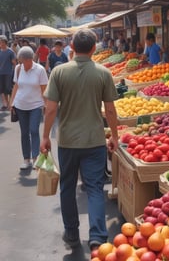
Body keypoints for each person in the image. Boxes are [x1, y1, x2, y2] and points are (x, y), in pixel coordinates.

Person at [40, 28, 119, 251]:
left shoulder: (59, 72)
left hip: (67, 141)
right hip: (94, 140)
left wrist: (45, 137)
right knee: (94, 188)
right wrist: (114, 135)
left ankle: (72, 234)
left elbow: (51, 109)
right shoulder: (103, 73)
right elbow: (110, 110)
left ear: (71, 47)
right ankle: (97, 236)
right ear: (94, 48)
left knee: (67, 187)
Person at [10, 46, 48, 169]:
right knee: (24, 133)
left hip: (36, 105)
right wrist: (12, 103)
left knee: (34, 130)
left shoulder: (40, 70)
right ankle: (26, 159)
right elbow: (16, 86)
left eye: (22, 61)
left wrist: (46, 105)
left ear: (29, 59)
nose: (21, 63)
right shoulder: (18, 68)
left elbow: (44, 89)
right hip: (20, 105)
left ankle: (36, 157)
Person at [0, 35, 17, 110]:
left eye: (1, 42)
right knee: (2, 89)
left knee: (8, 89)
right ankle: (5, 104)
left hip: (8, 73)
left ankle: (10, 103)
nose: (0, 43)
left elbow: (14, 63)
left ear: (5, 42)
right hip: (1, 73)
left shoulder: (10, 52)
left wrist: (15, 73)